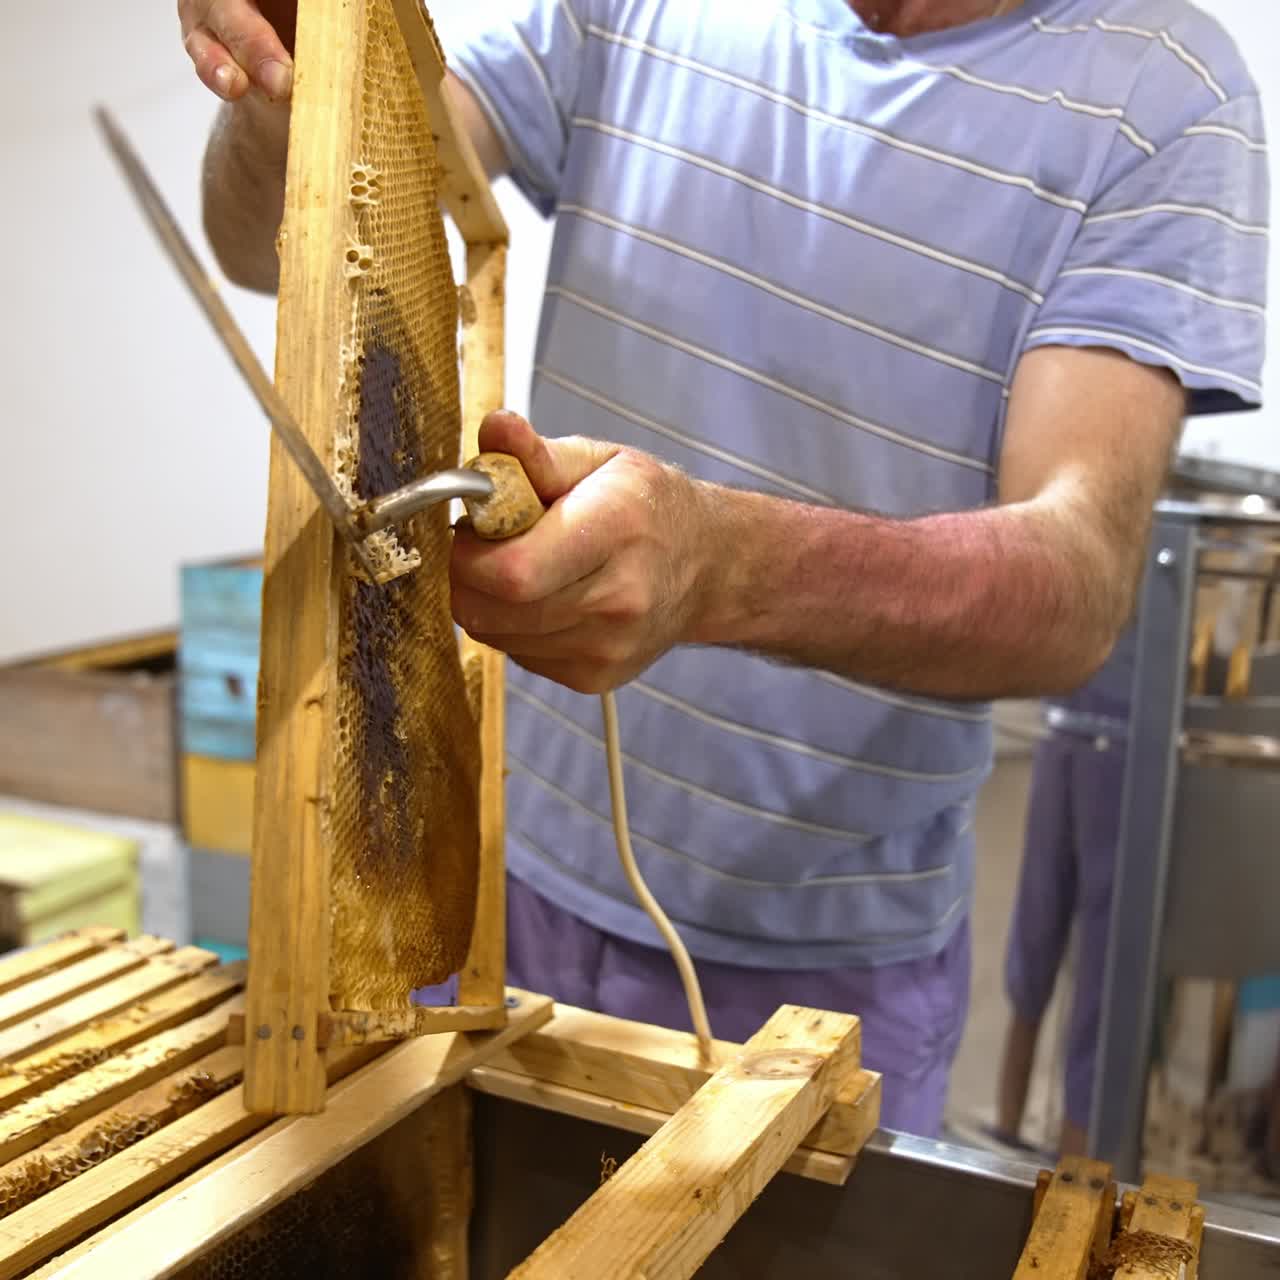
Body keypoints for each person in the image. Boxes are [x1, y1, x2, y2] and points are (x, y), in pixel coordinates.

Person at [182, 0, 1267, 1136]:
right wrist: (284, 87)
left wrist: (719, 566)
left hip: (820, 981)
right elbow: (285, 232)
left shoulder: (1162, 95)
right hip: (493, 888)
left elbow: (1074, 583)